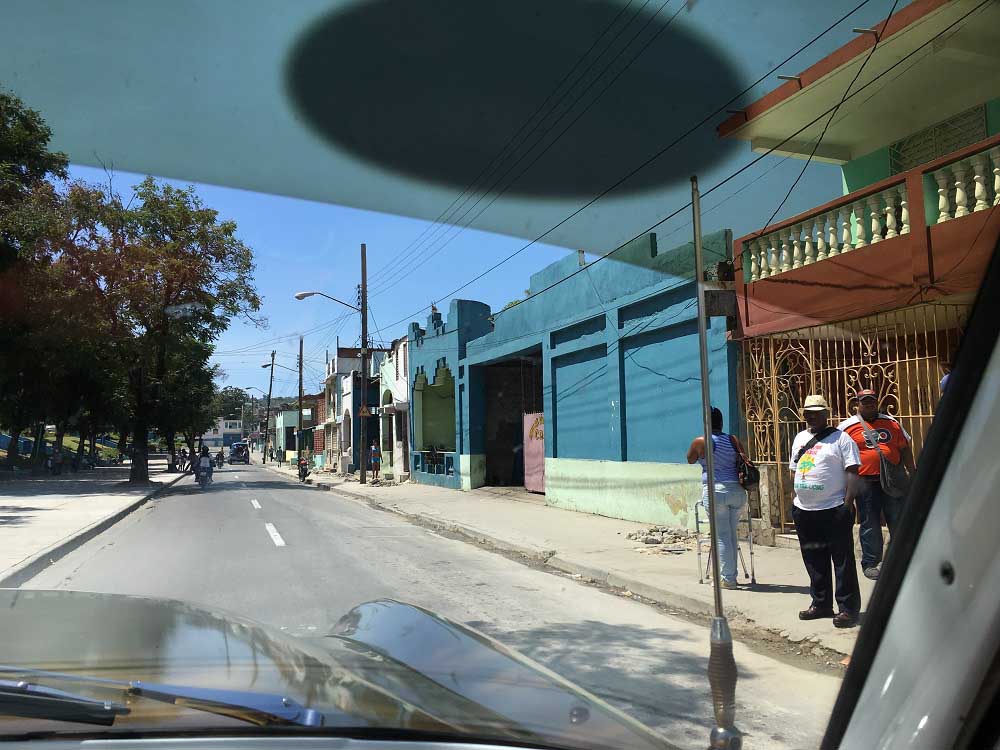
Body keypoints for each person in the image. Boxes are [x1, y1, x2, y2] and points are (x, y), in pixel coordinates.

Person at [789, 394, 862, 628]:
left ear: (825, 414)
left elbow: (853, 471)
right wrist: (796, 497)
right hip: (804, 509)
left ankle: (848, 609)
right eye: (807, 412)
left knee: (842, 560)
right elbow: (794, 468)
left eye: (816, 412)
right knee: (813, 558)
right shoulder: (800, 437)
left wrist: (848, 504)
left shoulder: (842, 439)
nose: (811, 416)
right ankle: (821, 603)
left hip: (833, 508)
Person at [837, 389, 915, 580]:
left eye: (872, 401)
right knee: (870, 523)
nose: (869, 404)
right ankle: (871, 563)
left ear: (877, 402)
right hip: (865, 483)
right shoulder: (847, 427)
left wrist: (913, 472)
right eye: (865, 401)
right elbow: (838, 455)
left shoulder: (892, 422)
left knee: (898, 519)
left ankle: (902, 560)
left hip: (893, 480)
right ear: (858, 404)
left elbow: (904, 448)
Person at [686, 407, 748, 589]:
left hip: (715, 491)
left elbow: (690, 459)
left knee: (721, 536)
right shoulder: (732, 439)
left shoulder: (701, 441)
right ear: (721, 422)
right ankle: (730, 576)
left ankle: (727, 579)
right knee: (730, 535)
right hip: (737, 491)